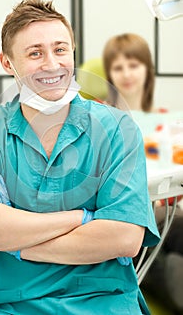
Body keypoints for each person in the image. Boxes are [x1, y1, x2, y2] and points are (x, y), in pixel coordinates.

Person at [0, 0, 159, 315]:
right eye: (35, 53)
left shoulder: (116, 128)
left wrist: (18, 245)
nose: (51, 64)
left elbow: (125, 237)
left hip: (103, 300)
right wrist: (84, 218)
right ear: (8, 63)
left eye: (60, 49)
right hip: (10, 303)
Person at [102, 32, 183, 314]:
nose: (126, 74)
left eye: (133, 65)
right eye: (118, 67)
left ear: (148, 69)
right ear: (109, 73)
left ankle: (170, 274)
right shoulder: (101, 119)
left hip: (170, 213)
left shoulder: (169, 121)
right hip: (129, 215)